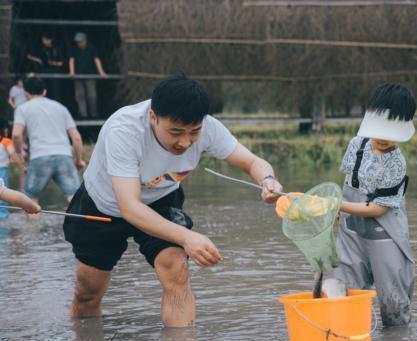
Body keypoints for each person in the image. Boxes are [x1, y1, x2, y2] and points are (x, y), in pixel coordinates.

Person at [63, 73, 283, 327]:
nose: (185, 142)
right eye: (176, 132)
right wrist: (188, 237)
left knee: (176, 270)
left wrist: (268, 180)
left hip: (161, 199)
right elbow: (130, 207)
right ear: (153, 117)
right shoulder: (124, 129)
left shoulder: (208, 128)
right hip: (105, 204)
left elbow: (252, 162)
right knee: (88, 293)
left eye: (193, 132)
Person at [324, 83, 416, 327]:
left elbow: (378, 209)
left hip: (385, 233)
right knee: (343, 287)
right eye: (381, 130)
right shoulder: (358, 144)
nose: (384, 139)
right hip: (352, 229)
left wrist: (339, 205)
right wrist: (336, 214)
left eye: (391, 133)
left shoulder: (397, 163)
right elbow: (347, 182)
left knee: (393, 299)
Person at [11, 77, 85, 204]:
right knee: (76, 201)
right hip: (64, 157)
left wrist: (18, 154)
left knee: (30, 202)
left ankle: (34, 224)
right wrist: (78, 160)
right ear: (44, 91)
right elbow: (76, 138)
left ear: (26, 93)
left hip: (39, 157)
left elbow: (16, 135)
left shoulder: (23, 108)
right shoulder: (61, 107)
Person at [69, 32, 107, 118]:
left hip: (90, 75)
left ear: (85, 41)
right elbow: (71, 60)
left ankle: (93, 114)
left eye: (81, 41)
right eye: (78, 42)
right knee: (80, 96)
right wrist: (72, 72)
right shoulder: (74, 49)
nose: (79, 44)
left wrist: (101, 72)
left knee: (92, 95)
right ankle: (83, 115)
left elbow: (96, 60)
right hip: (78, 76)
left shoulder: (92, 48)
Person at [26, 34, 65, 101]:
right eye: (43, 39)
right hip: (44, 73)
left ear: (50, 40)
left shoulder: (56, 48)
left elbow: (62, 63)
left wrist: (53, 63)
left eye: (46, 39)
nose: (44, 41)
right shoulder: (40, 49)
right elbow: (29, 56)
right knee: (45, 91)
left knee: (55, 93)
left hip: (55, 73)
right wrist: (37, 60)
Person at [0, 119, 17, 219]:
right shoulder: (5, 141)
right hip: (2, 171)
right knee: (3, 193)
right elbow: (12, 154)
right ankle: (3, 215)